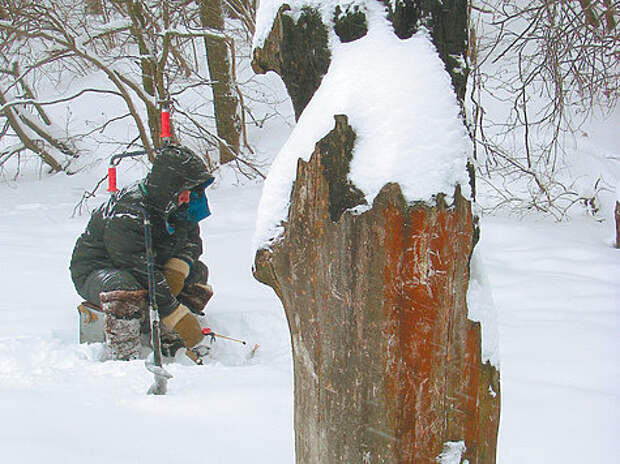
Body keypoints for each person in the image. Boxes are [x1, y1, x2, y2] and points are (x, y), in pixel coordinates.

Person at [70, 145, 214, 361]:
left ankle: (169, 336)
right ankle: (124, 352)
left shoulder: (177, 205)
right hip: (99, 272)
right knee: (124, 285)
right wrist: (176, 314)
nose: (188, 197)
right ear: (170, 186)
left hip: (146, 268)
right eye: (185, 190)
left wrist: (178, 268)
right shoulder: (128, 212)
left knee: (196, 272)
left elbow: (192, 242)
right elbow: (139, 269)